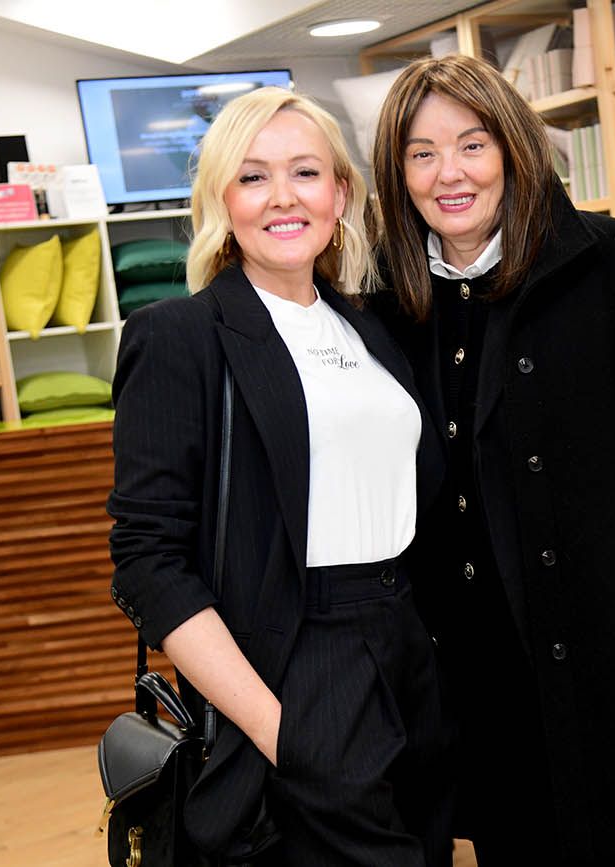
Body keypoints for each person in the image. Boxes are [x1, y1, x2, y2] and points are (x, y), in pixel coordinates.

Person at [371, 55, 615, 865]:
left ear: (512, 148)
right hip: (485, 689)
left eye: (471, 145)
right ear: (396, 173)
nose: (449, 174)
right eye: (421, 154)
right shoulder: (388, 301)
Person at [107, 86, 450, 866]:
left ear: (341, 194)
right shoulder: (180, 337)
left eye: (305, 172)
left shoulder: (372, 326)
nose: (283, 197)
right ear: (222, 200)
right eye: (254, 176)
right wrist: (277, 729)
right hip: (297, 666)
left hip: (408, 654)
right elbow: (148, 562)